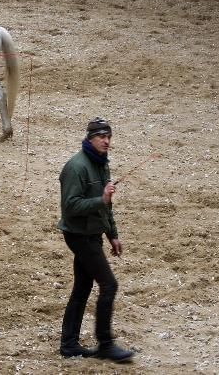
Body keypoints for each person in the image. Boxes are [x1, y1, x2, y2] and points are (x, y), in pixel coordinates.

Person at [57, 117, 134, 362]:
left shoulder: (101, 164)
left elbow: (106, 205)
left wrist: (113, 234)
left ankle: (69, 344)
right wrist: (101, 199)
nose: (106, 141)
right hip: (79, 235)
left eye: (109, 136)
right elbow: (70, 207)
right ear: (90, 138)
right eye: (102, 136)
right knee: (109, 285)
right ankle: (105, 345)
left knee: (83, 286)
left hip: (93, 233)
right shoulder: (76, 167)